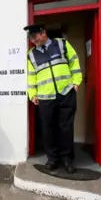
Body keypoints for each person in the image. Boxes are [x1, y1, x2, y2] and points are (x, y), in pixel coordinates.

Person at [24, 24, 82, 174]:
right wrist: (33, 94)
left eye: (35, 36)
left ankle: (67, 159)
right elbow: (31, 76)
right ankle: (52, 159)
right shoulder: (31, 55)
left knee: (66, 127)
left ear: (44, 33)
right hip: (45, 96)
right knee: (47, 129)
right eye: (31, 38)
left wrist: (76, 81)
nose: (33, 40)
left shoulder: (61, 44)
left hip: (66, 92)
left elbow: (74, 61)